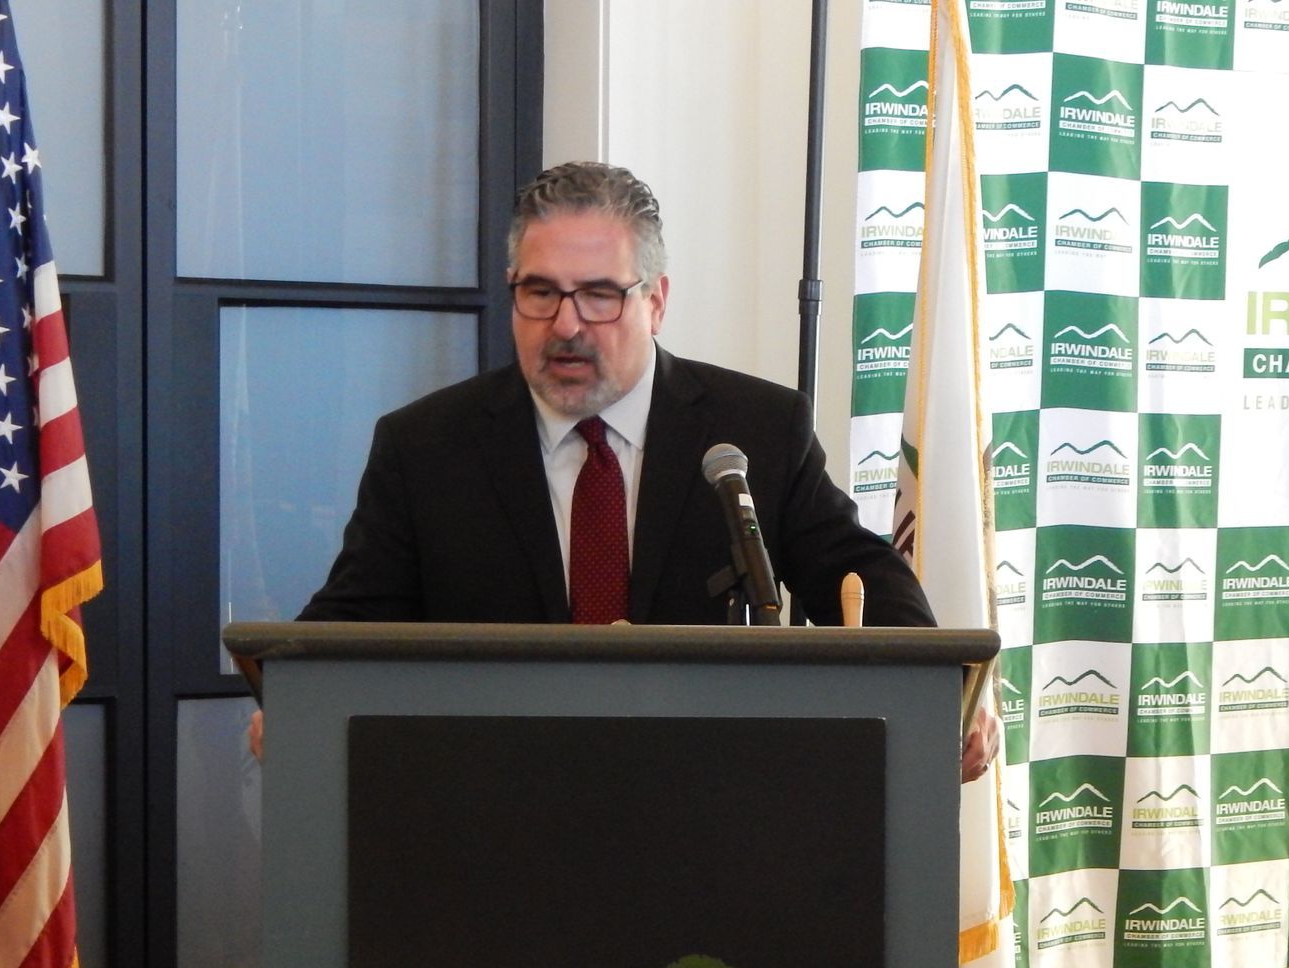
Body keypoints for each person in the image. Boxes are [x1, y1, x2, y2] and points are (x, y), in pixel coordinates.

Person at [267, 161, 995, 775]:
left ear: (656, 301)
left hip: (707, 804)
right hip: (495, 809)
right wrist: (293, 704)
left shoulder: (753, 433)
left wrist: (945, 692)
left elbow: (856, 576)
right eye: (540, 292)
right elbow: (353, 621)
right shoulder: (426, 447)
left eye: (599, 295)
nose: (566, 324)